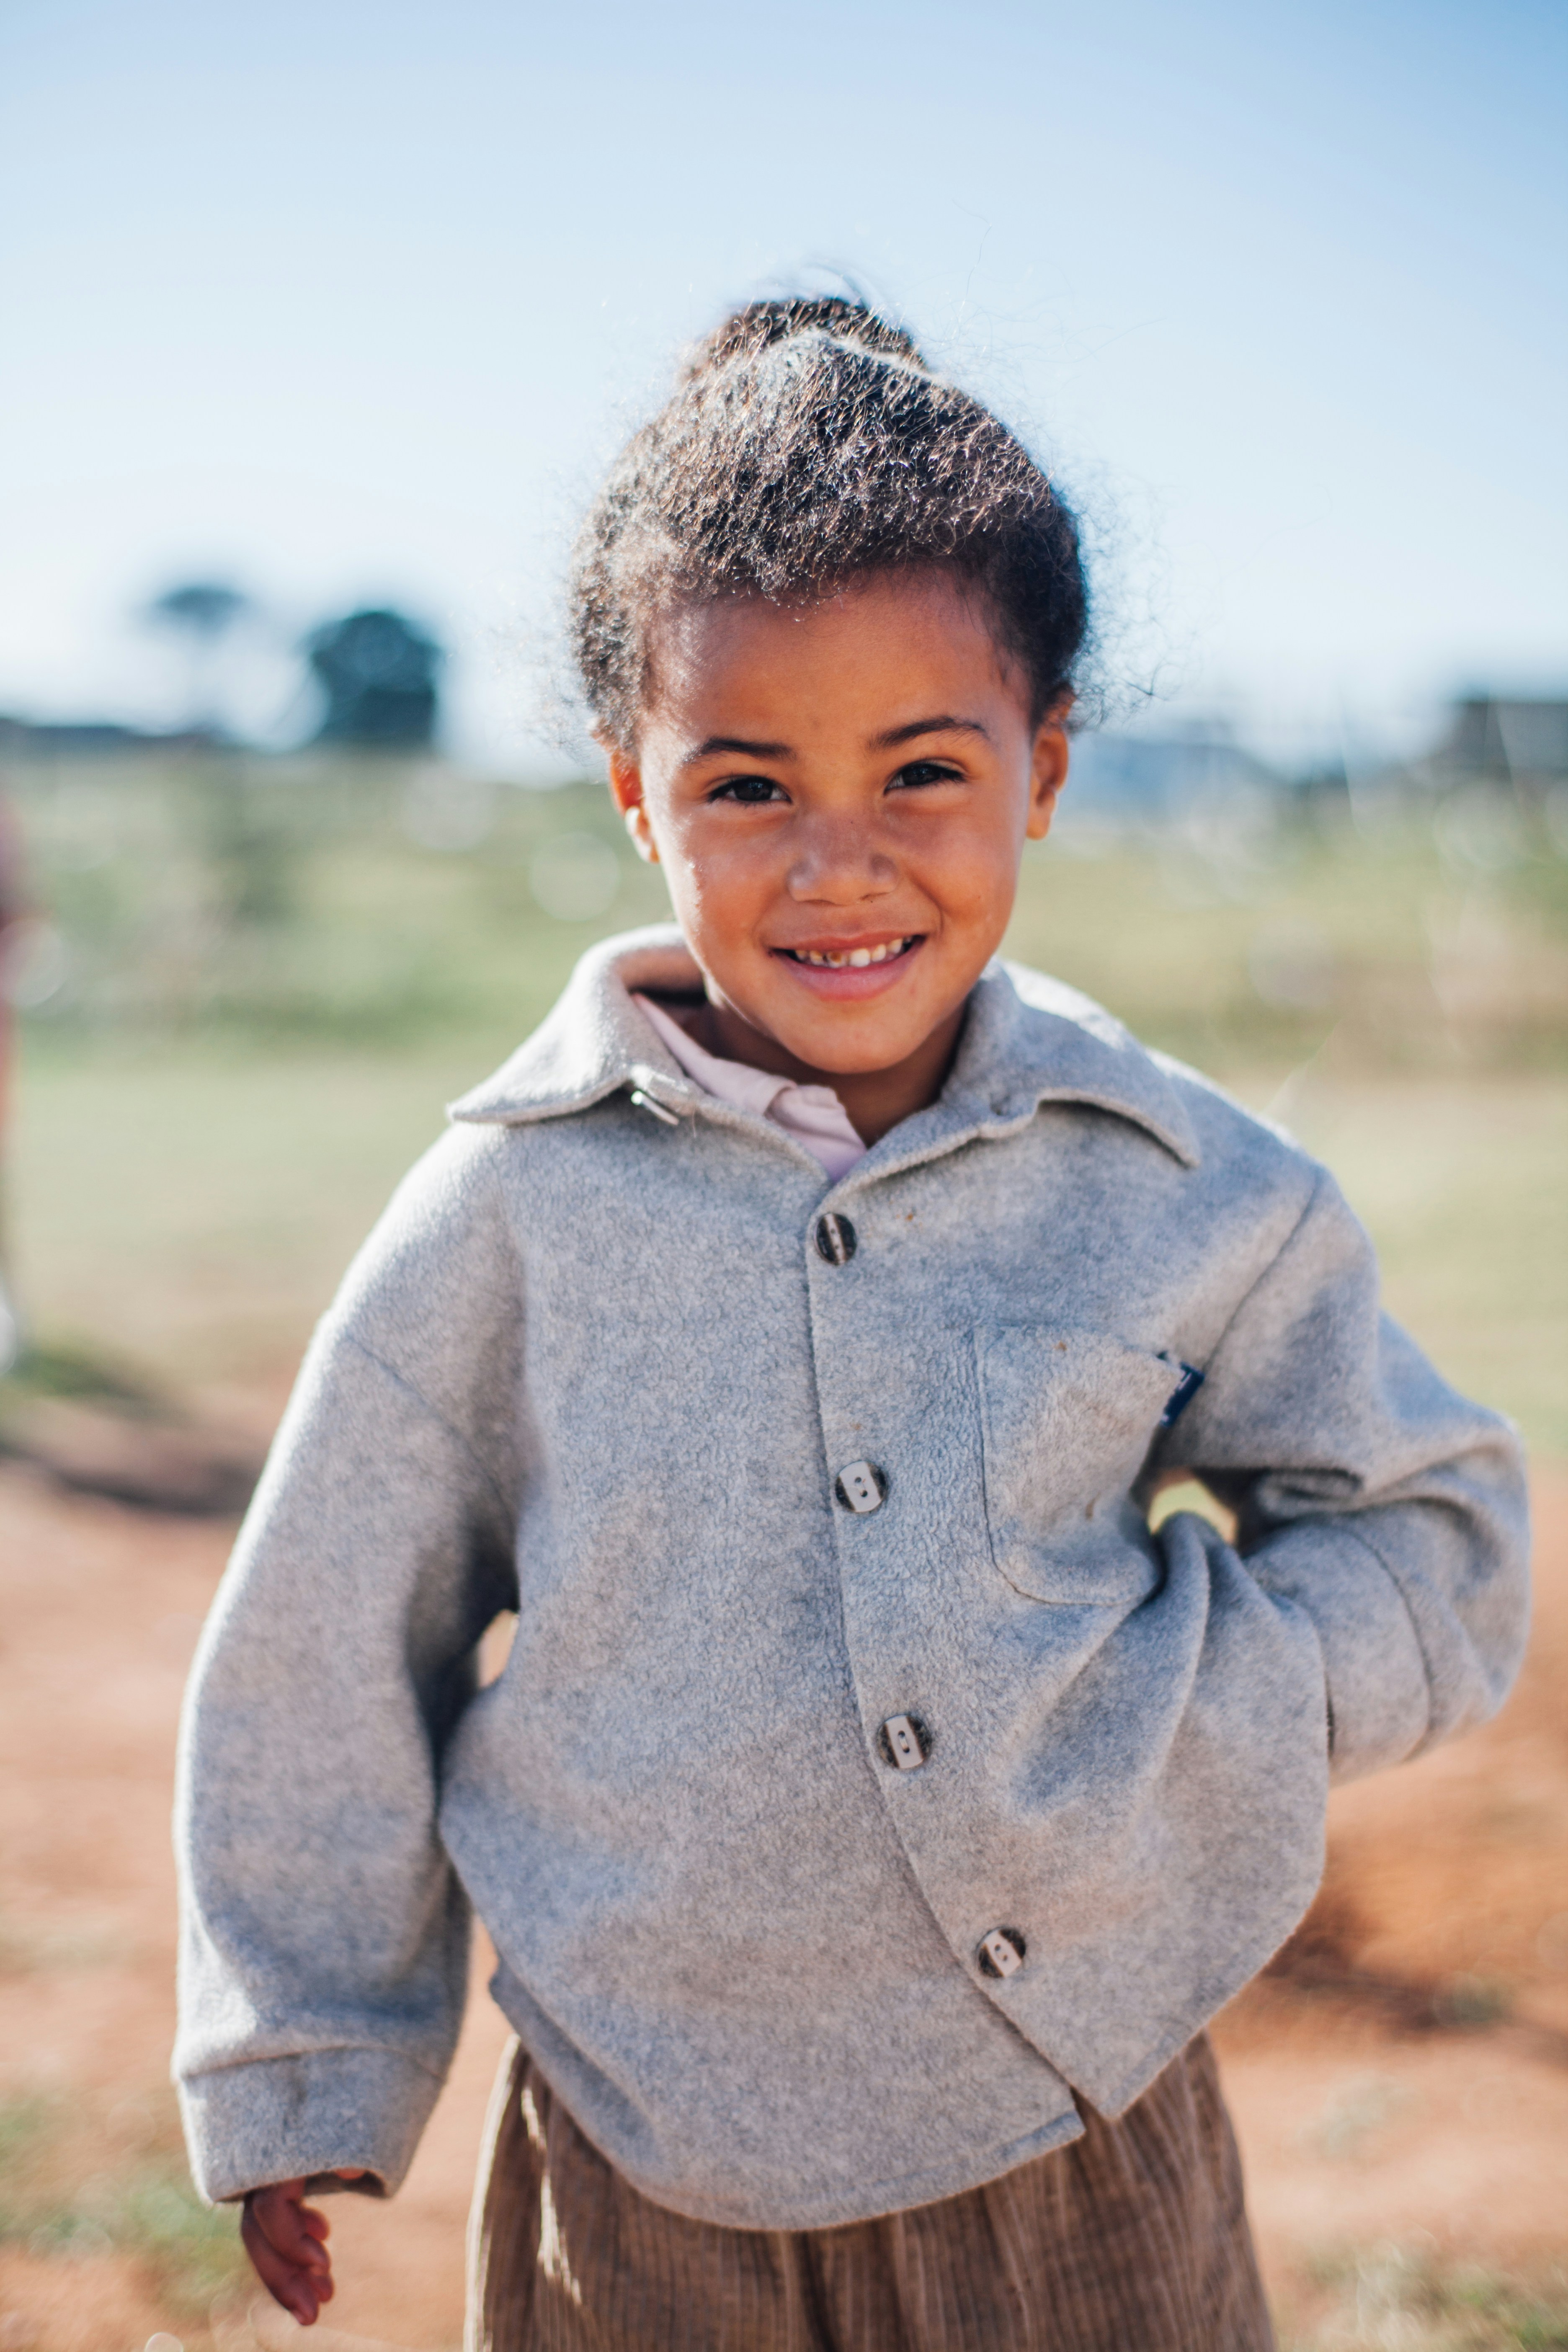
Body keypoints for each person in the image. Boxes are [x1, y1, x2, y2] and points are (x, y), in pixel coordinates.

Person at [174, 298, 1529, 2352]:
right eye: (746, 786)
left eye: (923, 769)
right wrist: (302, 2056)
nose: (841, 863)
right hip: (640, 2184)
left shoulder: (1178, 1184)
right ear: (638, 791)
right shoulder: (510, 1210)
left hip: (1088, 2141)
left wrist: (1218, 1696)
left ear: (1045, 768)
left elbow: (1438, 1530)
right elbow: (328, 1637)